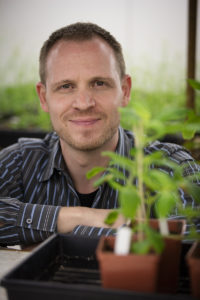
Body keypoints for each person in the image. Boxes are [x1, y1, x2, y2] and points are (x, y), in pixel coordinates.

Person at [0, 22, 199, 246]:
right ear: (44, 98)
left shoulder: (172, 166)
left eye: (99, 83)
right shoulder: (20, 162)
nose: (84, 103)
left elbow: (189, 243)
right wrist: (80, 217)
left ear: (124, 91)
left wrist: (42, 231)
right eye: (66, 86)